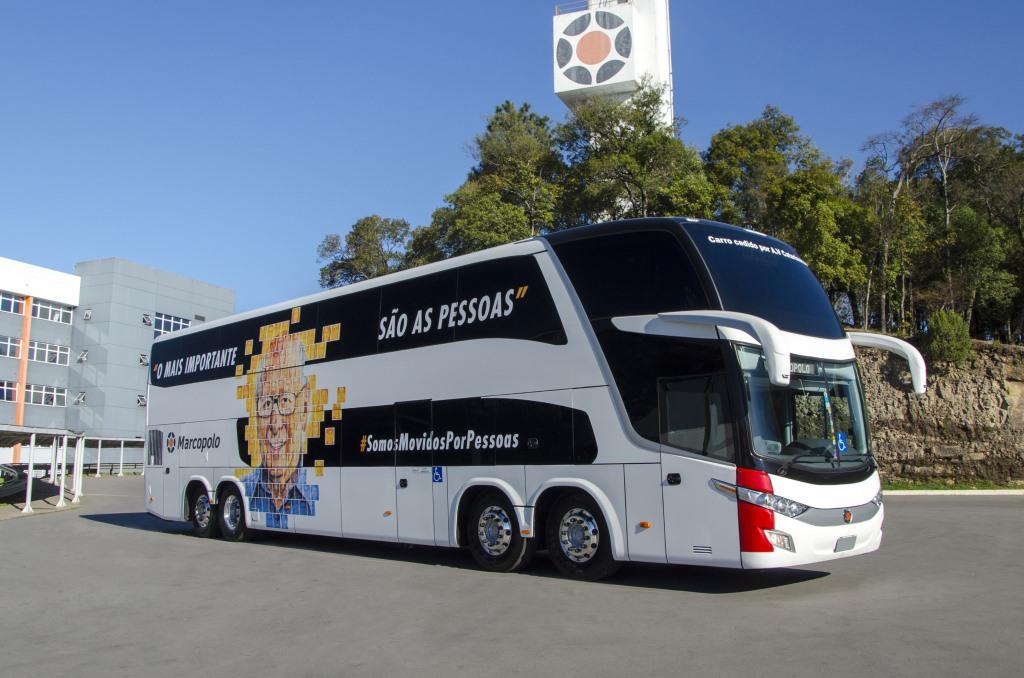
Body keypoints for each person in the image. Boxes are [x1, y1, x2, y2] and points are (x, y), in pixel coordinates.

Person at [242, 333, 318, 528]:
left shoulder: (316, 487)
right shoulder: (244, 488)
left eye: (285, 401)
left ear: (305, 407)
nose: (274, 425)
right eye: (266, 404)